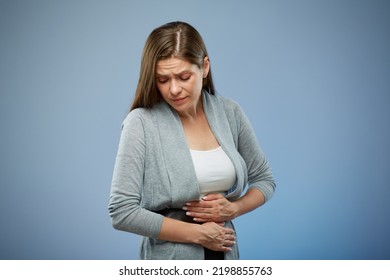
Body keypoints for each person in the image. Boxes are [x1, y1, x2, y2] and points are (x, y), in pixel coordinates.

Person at [108, 21, 275, 260]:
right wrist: (197, 234)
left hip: (225, 255)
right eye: (162, 80)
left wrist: (234, 208)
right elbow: (122, 211)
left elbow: (265, 180)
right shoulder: (141, 123)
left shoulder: (230, 112)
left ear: (204, 67)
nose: (173, 89)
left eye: (183, 76)